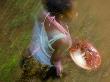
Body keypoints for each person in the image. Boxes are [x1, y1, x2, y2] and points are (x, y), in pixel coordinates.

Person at [28, 0, 77, 78]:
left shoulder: (43, 13)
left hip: (31, 53)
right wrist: (71, 57)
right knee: (42, 74)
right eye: (71, 11)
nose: (75, 13)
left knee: (26, 74)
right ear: (61, 15)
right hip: (42, 63)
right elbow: (54, 59)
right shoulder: (60, 40)